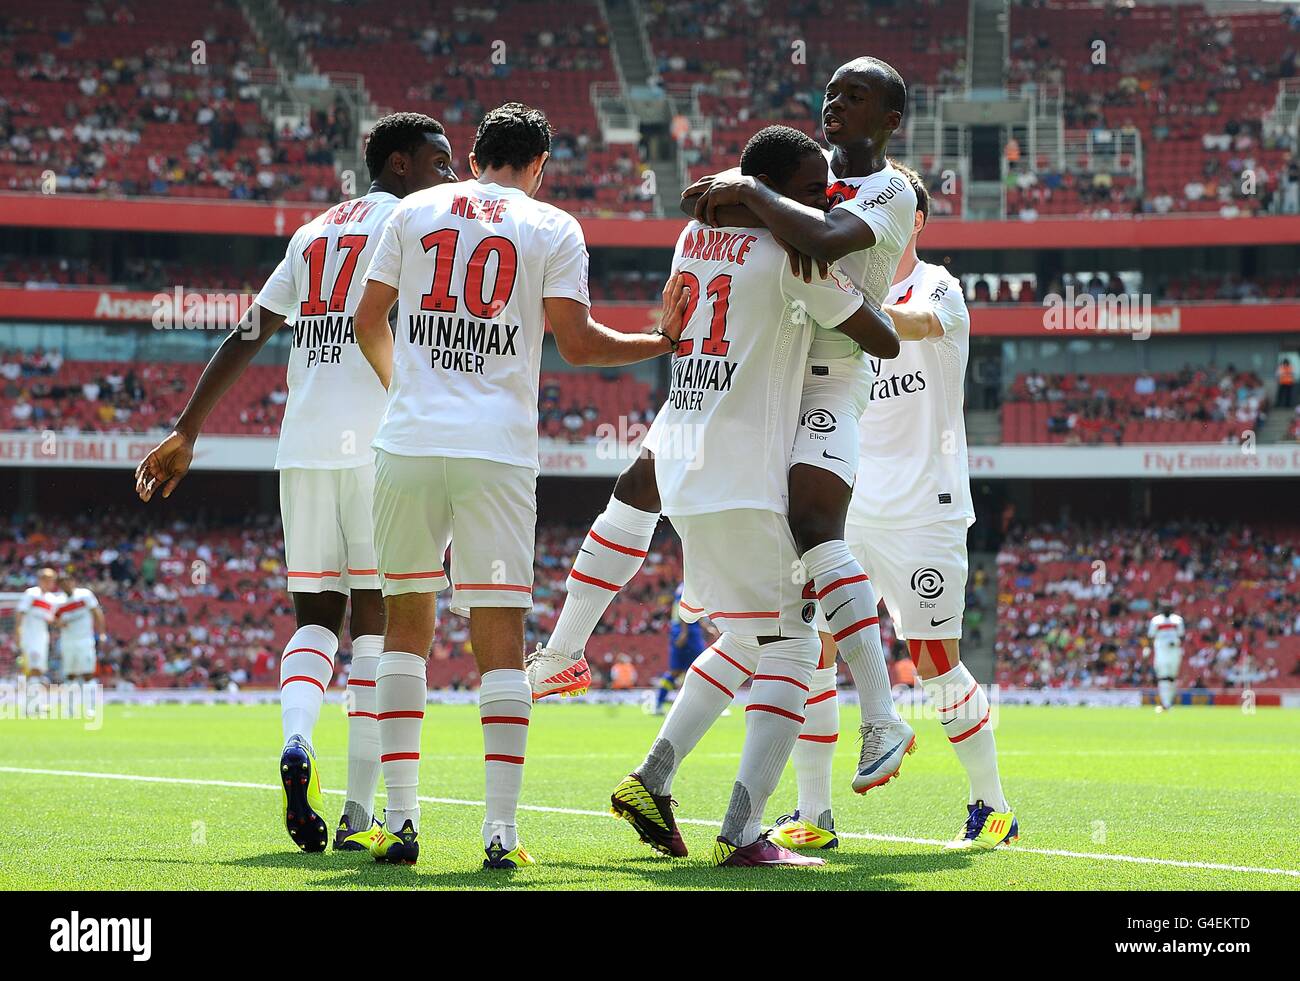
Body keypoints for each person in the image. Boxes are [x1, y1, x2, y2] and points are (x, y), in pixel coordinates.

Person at [533, 57, 921, 797]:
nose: (835, 103)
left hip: (828, 378)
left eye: (856, 96)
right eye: (831, 91)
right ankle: (581, 672)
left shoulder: (889, 189)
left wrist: (752, 192)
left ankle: (880, 716)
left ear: (890, 120)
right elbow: (698, 201)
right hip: (760, 368)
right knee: (655, 499)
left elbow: (830, 237)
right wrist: (754, 191)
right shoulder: (801, 173)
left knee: (812, 527)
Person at [350, 102, 688, 869]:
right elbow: (577, 342)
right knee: (499, 640)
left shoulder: (412, 211)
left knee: (406, 627)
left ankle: (399, 822)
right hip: (497, 453)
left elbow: (366, 319)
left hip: (406, 444)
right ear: (539, 166)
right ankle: (499, 834)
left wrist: (405, 387)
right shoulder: (552, 226)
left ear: (473, 159)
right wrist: (660, 340)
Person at [135, 112, 459, 854]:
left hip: (305, 446)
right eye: (440, 161)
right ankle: (357, 811)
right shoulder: (420, 222)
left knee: (316, 616)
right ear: (402, 163)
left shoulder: (312, 233)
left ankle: (295, 740)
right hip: (382, 445)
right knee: (378, 623)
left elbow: (247, 331)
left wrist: (188, 427)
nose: (449, 175)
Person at [609, 124, 900, 869]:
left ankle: (653, 777)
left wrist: (748, 196)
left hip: (686, 471)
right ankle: (743, 832)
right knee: (797, 643)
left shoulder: (690, 240)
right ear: (770, 188)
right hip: (746, 472)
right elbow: (882, 338)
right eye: (810, 189)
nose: (824, 198)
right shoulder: (794, 256)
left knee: (744, 639)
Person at [769, 166, 1016, 853]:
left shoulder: (938, 285)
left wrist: (837, 295)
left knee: (936, 661)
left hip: (924, 511)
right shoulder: (840, 294)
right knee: (811, 651)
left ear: (914, 220)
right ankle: (814, 812)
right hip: (845, 509)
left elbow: (908, 321)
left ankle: (991, 804)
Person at [653, 584, 712, 714]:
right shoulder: (689, 586)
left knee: (676, 671)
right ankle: (708, 707)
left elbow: (692, 611)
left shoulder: (682, 586)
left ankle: (658, 703)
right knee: (702, 668)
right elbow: (684, 609)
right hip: (689, 633)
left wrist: (705, 627)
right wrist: (684, 632)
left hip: (682, 631)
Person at [55, 572, 105, 683]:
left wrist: (101, 633)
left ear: (73, 581)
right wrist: (58, 623)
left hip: (85, 639)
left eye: (68, 581)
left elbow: (97, 613)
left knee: (87, 672)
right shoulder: (58, 601)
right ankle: (72, 699)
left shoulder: (85, 595)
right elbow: (54, 620)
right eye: (62, 582)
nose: (66, 584)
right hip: (67, 640)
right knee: (70, 674)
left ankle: (90, 698)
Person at [16, 567, 58, 679]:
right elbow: (20, 612)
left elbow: (53, 619)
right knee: (30, 662)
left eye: (51, 579)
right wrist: (17, 631)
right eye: (45, 579)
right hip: (29, 634)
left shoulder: (52, 599)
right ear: (40, 579)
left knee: (40, 663)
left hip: (42, 635)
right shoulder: (31, 593)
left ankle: (35, 683)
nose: (49, 582)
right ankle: (31, 684)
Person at [1147, 601, 1186, 712]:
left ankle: (1169, 702)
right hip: (1161, 652)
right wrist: (1149, 650)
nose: (1166, 610)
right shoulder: (1156, 621)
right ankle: (1165, 703)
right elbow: (1151, 636)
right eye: (1164, 608)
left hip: (1174, 651)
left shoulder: (1177, 620)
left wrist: (1176, 643)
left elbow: (1181, 636)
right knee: (1163, 677)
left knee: (1172, 677)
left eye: (1168, 608)